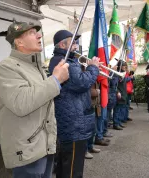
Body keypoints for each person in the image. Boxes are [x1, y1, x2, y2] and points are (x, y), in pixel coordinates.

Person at [0, 22, 69, 178]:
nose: (39, 35)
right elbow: (22, 103)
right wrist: (55, 80)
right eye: (32, 32)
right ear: (19, 42)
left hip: (43, 146)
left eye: (38, 32)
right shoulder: (7, 67)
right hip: (27, 150)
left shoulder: (36, 67)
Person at [48, 30, 100, 178]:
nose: (76, 46)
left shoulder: (66, 61)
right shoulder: (63, 62)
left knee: (66, 165)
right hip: (73, 123)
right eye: (73, 43)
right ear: (63, 44)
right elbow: (82, 83)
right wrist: (93, 67)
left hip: (74, 121)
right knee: (72, 169)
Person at [85, 83, 102, 159]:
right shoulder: (85, 73)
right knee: (87, 130)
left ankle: (90, 146)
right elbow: (85, 90)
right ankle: (85, 150)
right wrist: (96, 92)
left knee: (92, 129)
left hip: (93, 104)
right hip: (87, 105)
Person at [113, 60, 129, 130]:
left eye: (125, 66)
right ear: (120, 66)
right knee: (117, 110)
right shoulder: (117, 74)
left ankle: (119, 122)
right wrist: (117, 92)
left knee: (120, 110)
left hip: (123, 93)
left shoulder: (123, 73)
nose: (125, 67)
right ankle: (116, 123)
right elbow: (114, 85)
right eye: (123, 66)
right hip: (119, 94)